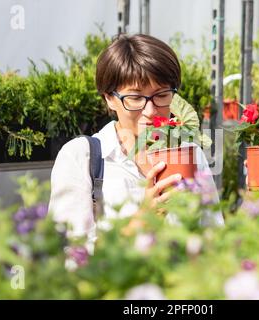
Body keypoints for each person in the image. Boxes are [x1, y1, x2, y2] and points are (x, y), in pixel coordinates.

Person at [48, 34, 224, 251]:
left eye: (161, 95)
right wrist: (145, 218)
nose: (150, 111)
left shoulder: (189, 154)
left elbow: (214, 238)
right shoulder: (82, 157)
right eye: (135, 97)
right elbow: (69, 255)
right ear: (109, 99)